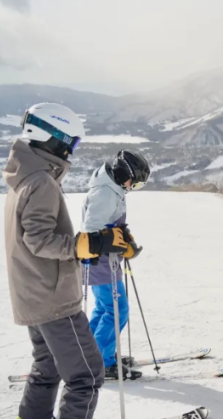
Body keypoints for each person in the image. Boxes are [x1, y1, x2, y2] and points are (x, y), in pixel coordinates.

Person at [3, 102, 135, 419]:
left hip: (32, 294)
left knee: (47, 368)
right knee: (87, 376)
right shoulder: (41, 183)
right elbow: (38, 239)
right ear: (54, 137)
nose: (70, 151)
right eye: (70, 142)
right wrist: (92, 242)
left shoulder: (24, 176)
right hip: (53, 297)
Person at [82, 150, 150, 380]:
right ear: (124, 173)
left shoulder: (113, 190)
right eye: (135, 182)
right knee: (117, 310)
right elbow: (92, 231)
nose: (133, 187)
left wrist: (125, 237)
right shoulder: (106, 193)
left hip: (104, 262)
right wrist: (116, 244)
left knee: (104, 309)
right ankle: (100, 361)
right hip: (100, 261)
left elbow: (108, 224)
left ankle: (90, 355)